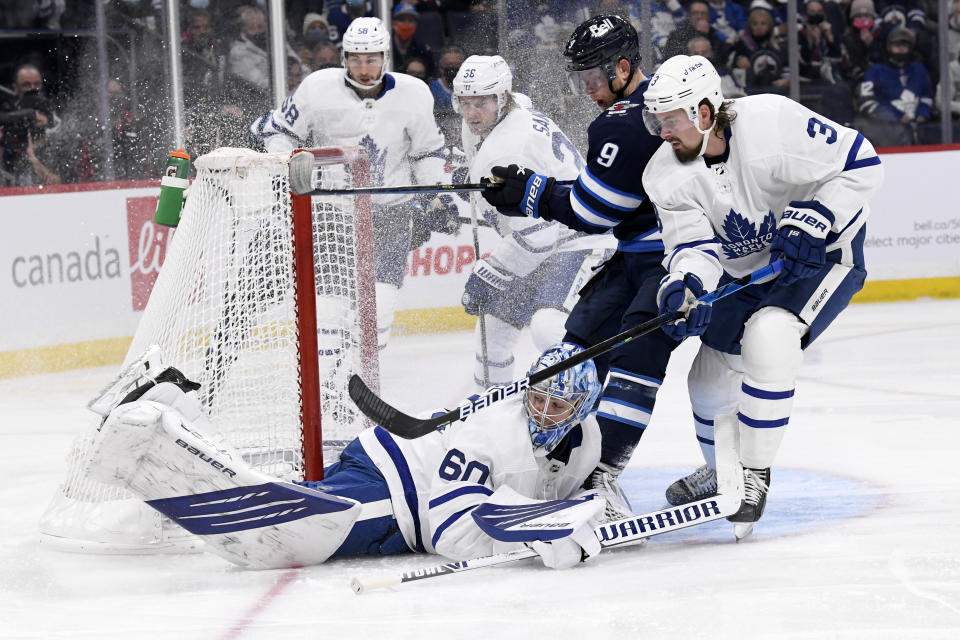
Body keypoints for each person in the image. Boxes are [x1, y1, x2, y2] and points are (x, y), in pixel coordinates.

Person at [85, 343, 606, 569]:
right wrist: (531, 528)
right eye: (537, 396)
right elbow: (448, 531)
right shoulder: (496, 431)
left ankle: (176, 406)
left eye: (558, 403)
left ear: (583, 407)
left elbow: (570, 491)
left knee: (283, 511)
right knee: (281, 532)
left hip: (399, 484)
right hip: (399, 487)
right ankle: (162, 420)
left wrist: (577, 516)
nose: (543, 410)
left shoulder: (588, 440)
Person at [640, 54, 883, 538]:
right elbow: (693, 247)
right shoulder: (664, 174)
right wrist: (685, 283)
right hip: (749, 271)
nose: (661, 132)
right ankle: (724, 472)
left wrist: (819, 215)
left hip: (823, 257)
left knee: (770, 337)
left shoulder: (772, 122)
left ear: (704, 113)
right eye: (656, 121)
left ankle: (754, 473)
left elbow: (863, 163)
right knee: (706, 380)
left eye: (669, 120)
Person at [480, 15, 679, 518]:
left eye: (593, 77)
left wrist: (528, 192)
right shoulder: (645, 104)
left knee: (637, 358)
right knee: (572, 354)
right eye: (579, 79)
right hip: (635, 256)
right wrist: (531, 189)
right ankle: (553, 463)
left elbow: (594, 212)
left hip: (676, 258)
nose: (587, 89)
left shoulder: (631, 119)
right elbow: (609, 201)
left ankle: (601, 481)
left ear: (624, 66)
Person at [257, 17, 459, 350]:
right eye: (355, 58)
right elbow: (278, 131)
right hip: (333, 213)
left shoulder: (414, 94)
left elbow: (427, 153)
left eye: (371, 59)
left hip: (391, 215)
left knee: (379, 309)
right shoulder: (318, 87)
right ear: (344, 58)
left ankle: (362, 384)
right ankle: (331, 388)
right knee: (331, 311)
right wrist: (286, 172)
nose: (363, 68)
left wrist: (435, 195)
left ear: (385, 58)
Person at [451, 54, 610, 392]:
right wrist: (475, 179)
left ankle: (585, 405)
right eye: (465, 102)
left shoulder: (505, 151)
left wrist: (490, 272)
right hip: (550, 233)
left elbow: (540, 236)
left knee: (550, 330)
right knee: (492, 333)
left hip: (581, 237)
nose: (471, 113)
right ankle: (488, 413)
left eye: (481, 102)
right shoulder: (512, 109)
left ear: (501, 98)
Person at [855, 26, 934, 146]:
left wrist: (922, 114)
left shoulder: (919, 69)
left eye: (904, 45)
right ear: (889, 47)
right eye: (897, 45)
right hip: (886, 131)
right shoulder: (875, 71)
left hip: (919, 127)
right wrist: (897, 116)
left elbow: (927, 96)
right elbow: (866, 102)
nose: (901, 48)